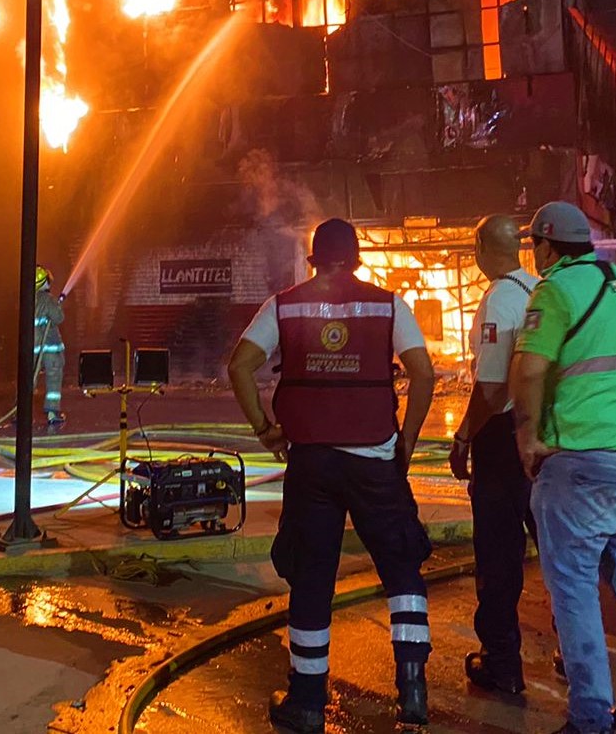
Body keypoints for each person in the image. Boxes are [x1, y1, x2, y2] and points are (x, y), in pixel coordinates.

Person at [227, 218, 436, 734]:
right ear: (358, 258)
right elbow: (424, 373)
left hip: (312, 461)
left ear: (314, 259)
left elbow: (239, 365)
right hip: (375, 458)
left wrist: (264, 428)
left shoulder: (285, 304)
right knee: (402, 564)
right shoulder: (389, 304)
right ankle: (411, 689)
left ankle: (307, 702)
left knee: (312, 573)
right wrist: (405, 439)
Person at [510, 201, 616, 734]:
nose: (533, 254)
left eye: (533, 244)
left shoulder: (555, 290)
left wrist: (527, 438)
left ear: (546, 244)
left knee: (574, 588)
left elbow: (529, 369)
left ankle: (590, 719)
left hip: (584, 462)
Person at [448, 214, 539, 696]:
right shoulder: (536, 289)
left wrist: (463, 435)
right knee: (555, 548)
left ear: (481, 245)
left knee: (499, 554)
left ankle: (501, 661)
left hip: (502, 440)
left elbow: (490, 386)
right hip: (541, 434)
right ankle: (575, 651)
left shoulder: (499, 298)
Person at [34, 266, 67, 429]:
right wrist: (58, 306)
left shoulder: (27, 299)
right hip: (50, 348)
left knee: (28, 380)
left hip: (31, 348)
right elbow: (58, 318)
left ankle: (19, 411)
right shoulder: (48, 299)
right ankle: (52, 414)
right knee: (54, 378)